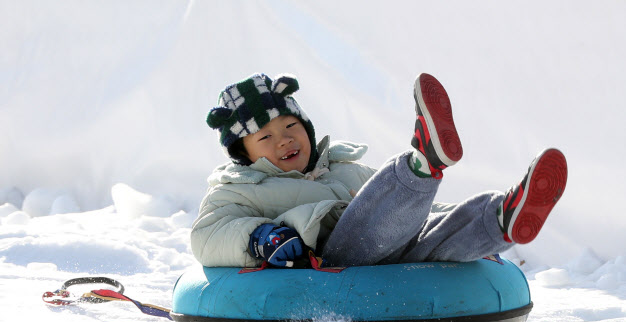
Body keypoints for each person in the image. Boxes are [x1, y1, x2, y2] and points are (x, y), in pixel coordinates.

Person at [191, 72, 567, 269]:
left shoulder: (342, 168)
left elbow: (406, 211)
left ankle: (500, 218)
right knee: (369, 219)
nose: (284, 141)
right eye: (266, 137)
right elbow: (207, 235)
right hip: (334, 260)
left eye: (291, 127)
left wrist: (447, 217)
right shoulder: (240, 187)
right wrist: (260, 238)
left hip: (392, 251)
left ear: (305, 128)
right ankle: (422, 163)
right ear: (244, 152)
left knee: (435, 238)